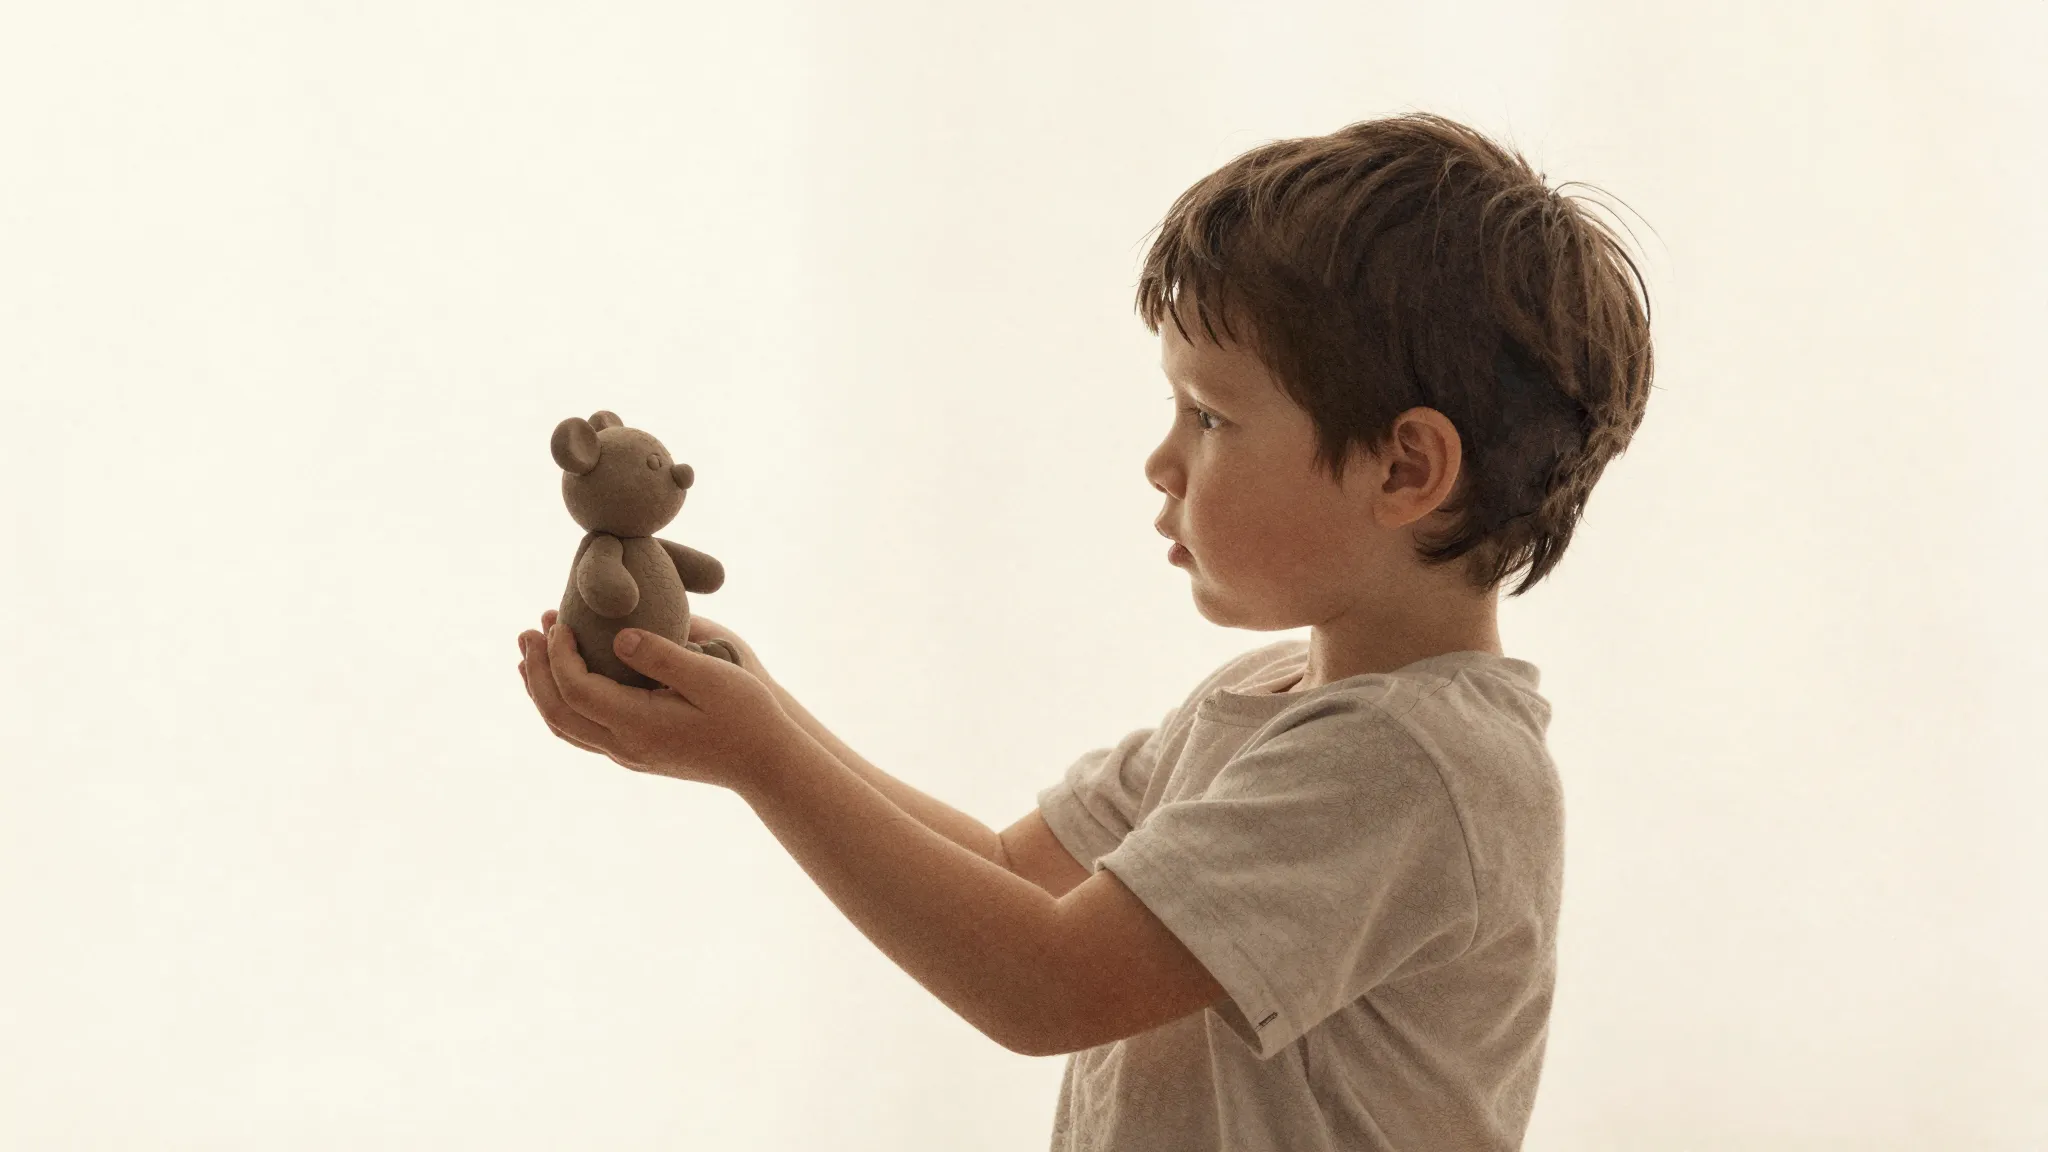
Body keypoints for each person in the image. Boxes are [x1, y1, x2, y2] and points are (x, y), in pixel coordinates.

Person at [517, 111, 1654, 1151]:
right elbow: (1014, 872)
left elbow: (1046, 983)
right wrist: (761, 713)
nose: (1162, 460)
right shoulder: (1270, 699)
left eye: (1209, 416)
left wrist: (760, 756)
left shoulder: (1405, 765)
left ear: (1404, 469)